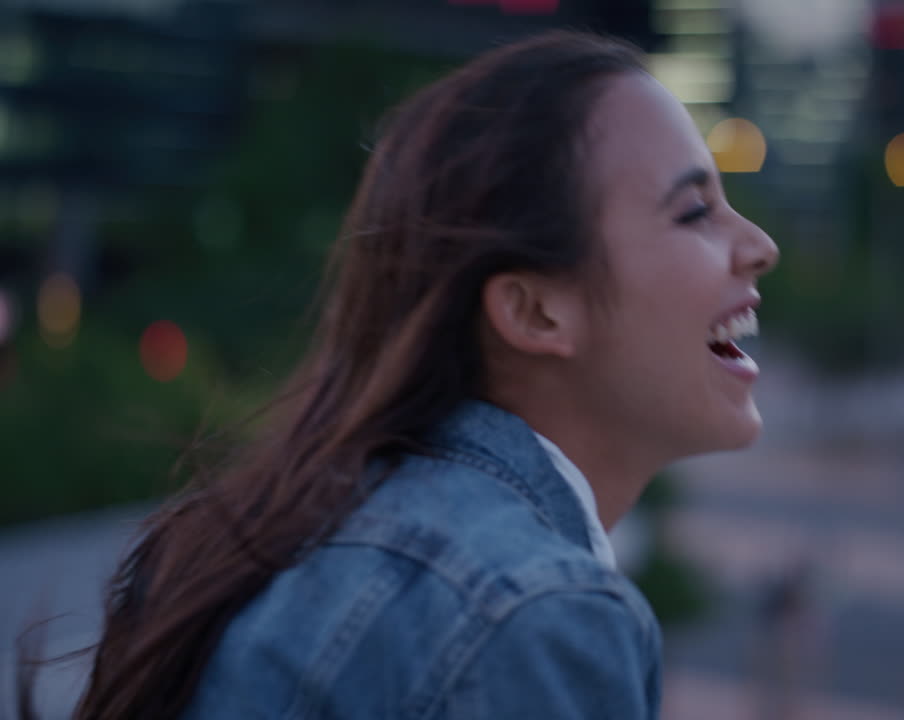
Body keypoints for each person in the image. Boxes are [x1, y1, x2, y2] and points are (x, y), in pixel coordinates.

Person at [65, 29, 778, 719]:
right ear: (534, 312)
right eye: (694, 212)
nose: (760, 246)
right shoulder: (527, 613)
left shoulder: (287, 536)